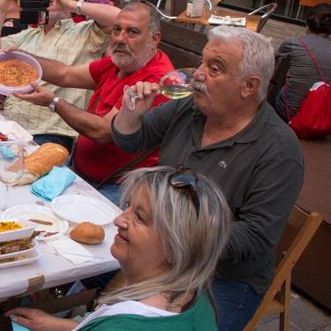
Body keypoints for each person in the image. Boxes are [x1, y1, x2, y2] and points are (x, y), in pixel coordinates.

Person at [112, 26, 304, 331]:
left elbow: (255, 237)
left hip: (225, 278)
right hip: (164, 252)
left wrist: (174, 233)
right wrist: (131, 112)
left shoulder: (279, 150)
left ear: (249, 86)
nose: (199, 74)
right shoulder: (190, 108)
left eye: (214, 68)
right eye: (202, 62)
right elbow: (130, 141)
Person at [7, 166, 232, 331]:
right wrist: (60, 325)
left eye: (140, 217)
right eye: (128, 206)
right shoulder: (194, 294)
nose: (119, 220)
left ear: (176, 246)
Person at [12, 0, 173, 200]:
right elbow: (66, 74)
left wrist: (53, 102)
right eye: (116, 30)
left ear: (154, 38)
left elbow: (104, 131)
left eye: (132, 32)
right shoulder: (122, 60)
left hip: (117, 188)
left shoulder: (155, 79)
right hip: (81, 173)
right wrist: (21, 57)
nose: (120, 39)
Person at [0, 0, 117, 151]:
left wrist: (71, 4)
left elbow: (119, 18)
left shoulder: (85, 32)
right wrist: (1, 9)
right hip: (11, 127)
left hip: (53, 133)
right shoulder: (29, 34)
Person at [274, 3, 331, 120]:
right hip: (324, 117)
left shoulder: (294, 43)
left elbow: (273, 68)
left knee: (282, 72)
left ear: (307, 23)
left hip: (290, 113)